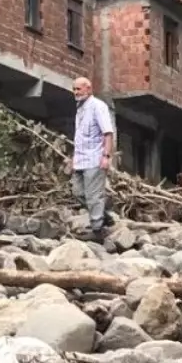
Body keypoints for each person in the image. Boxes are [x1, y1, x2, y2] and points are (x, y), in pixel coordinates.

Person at [69, 76, 115, 242]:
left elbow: (107, 133)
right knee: (77, 192)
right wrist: (74, 159)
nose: (75, 92)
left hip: (95, 159)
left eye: (78, 89)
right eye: (74, 89)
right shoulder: (80, 109)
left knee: (93, 196)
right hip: (81, 160)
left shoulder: (98, 106)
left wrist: (106, 156)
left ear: (88, 89)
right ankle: (104, 217)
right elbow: (79, 137)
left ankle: (98, 231)